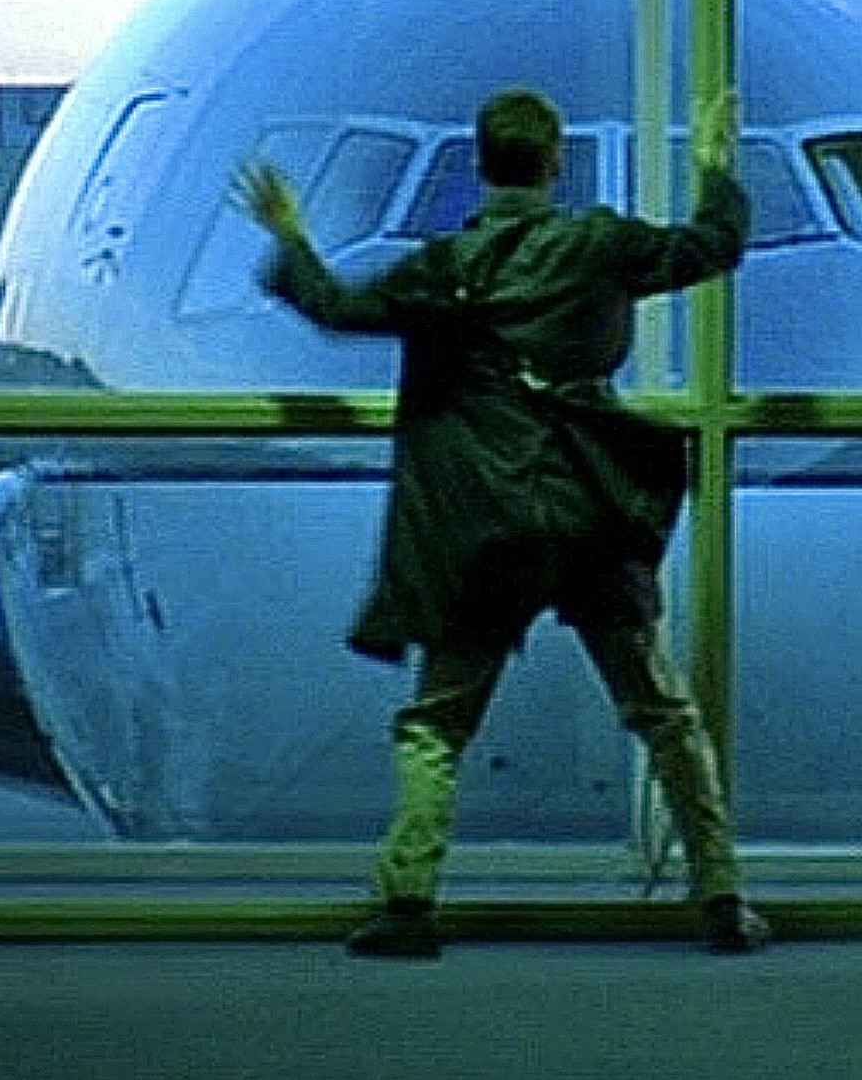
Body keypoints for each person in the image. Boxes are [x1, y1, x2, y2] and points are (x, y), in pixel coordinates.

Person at [236, 86, 772, 958]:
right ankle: (721, 896)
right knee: (664, 713)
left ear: (481, 166)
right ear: (554, 163)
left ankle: (408, 903)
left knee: (437, 723)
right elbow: (714, 246)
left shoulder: (441, 268)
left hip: (485, 525)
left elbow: (335, 307)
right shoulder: (599, 246)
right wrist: (715, 166)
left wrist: (289, 233)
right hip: (592, 511)